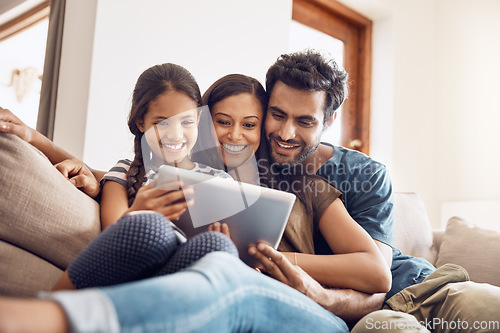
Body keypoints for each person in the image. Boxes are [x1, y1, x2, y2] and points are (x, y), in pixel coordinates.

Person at [257, 49, 500, 332]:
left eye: (305, 121)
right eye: (278, 115)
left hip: (425, 290)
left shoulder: (365, 173)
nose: (286, 133)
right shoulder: (250, 166)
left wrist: (278, 261)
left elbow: (377, 283)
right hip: (373, 317)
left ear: (329, 121)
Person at [51, 63, 238, 291]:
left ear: (198, 120)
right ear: (141, 123)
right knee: (152, 227)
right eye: (161, 123)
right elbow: (111, 240)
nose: (176, 133)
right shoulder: (123, 173)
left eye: (186, 121)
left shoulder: (220, 182)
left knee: (217, 245)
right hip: (132, 274)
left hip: (184, 282)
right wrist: (138, 211)